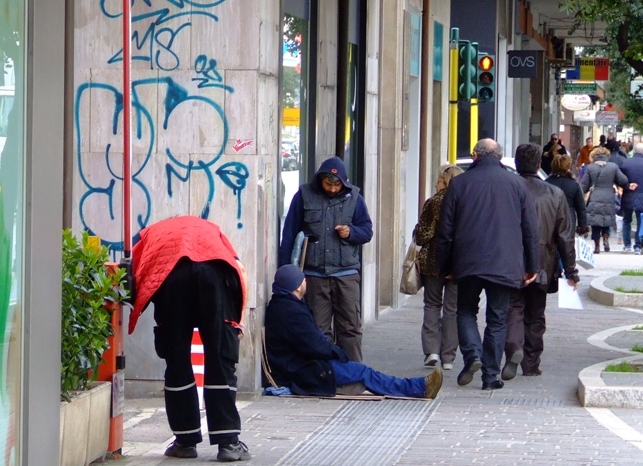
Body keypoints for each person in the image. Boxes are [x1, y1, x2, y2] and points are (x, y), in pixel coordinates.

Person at [131, 216, 250, 461]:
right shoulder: (213, 230)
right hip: (214, 273)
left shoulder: (149, 235)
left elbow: (132, 274)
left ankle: (185, 442)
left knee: (177, 357)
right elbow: (239, 269)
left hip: (171, 276)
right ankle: (228, 443)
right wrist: (237, 320)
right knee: (220, 356)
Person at [437, 138, 540, 391]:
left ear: (474, 155)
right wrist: (532, 265)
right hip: (505, 263)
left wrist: (444, 265)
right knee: (497, 318)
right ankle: (491, 376)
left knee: (465, 311)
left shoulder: (459, 183)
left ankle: (473, 356)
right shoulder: (517, 184)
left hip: (467, 261)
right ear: (500, 157)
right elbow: (530, 230)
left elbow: (444, 229)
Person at [264, 265, 443, 399]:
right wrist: (339, 354)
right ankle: (419, 387)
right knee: (365, 372)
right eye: (302, 279)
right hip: (305, 370)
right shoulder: (290, 312)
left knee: (362, 371)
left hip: (305, 364)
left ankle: (417, 385)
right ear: (295, 286)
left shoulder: (285, 306)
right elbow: (315, 344)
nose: (305, 282)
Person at [278, 156, 373, 362]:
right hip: (314, 275)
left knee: (350, 327)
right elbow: (289, 234)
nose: (332, 189)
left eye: (336, 185)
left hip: (346, 273)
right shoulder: (303, 195)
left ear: (344, 183)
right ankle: (326, 374)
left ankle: (353, 374)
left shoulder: (355, 197)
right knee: (318, 328)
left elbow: (367, 231)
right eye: (328, 184)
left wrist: (351, 232)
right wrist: (285, 271)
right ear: (320, 180)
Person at [502, 144, 580, 380]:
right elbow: (565, 235)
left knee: (512, 308)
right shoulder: (554, 194)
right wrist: (571, 270)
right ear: (539, 165)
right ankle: (531, 362)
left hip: (510, 260)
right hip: (543, 262)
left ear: (516, 163)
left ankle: (513, 347)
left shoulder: (507, 190)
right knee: (536, 314)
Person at [415, 164, 464, 369]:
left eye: (438, 179)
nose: (436, 183)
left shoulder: (433, 202)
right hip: (458, 262)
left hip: (433, 262)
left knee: (432, 305)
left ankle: (432, 351)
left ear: (446, 181)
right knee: (452, 309)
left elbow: (422, 235)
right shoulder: (465, 202)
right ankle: (448, 358)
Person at [581, 147, 630, 254]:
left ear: (594, 156)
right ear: (607, 156)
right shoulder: (613, 167)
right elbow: (623, 180)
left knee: (595, 223)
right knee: (606, 220)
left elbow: (583, 185)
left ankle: (597, 246)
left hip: (595, 197)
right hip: (608, 196)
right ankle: (606, 239)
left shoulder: (590, 168)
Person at [546, 154, 589, 236]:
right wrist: (582, 226)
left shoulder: (546, 183)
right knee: (567, 244)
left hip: (550, 218)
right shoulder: (574, 184)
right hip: (569, 219)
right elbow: (581, 208)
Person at [619, 142, 643, 254]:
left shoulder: (625, 164)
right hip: (642, 195)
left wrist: (627, 186)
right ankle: (638, 245)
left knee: (626, 220)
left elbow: (620, 180)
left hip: (628, 194)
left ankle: (627, 244)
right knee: (640, 221)